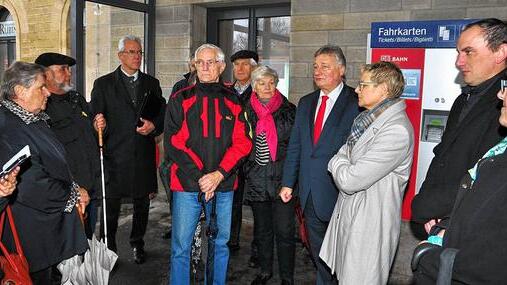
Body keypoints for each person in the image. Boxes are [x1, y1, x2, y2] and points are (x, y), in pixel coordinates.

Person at [165, 43, 252, 285]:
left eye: (210, 62)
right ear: (194, 65)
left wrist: (218, 175)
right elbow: (173, 143)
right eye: (200, 62)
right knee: (181, 247)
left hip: (222, 186)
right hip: (186, 184)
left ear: (222, 66)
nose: (204, 66)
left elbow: (243, 143)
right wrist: (202, 176)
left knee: (219, 245)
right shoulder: (180, 98)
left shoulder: (235, 100)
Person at [320, 61, 414, 284]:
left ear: (383, 89)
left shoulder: (396, 130)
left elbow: (350, 179)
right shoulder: (366, 120)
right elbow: (347, 154)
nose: (356, 89)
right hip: (353, 215)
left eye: (363, 85)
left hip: (370, 222)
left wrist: (336, 161)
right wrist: (343, 158)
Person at [411, 18, 507, 232]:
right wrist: (426, 202)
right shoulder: (463, 99)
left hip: (471, 226)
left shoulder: (503, 104)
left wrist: (433, 208)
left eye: (468, 52)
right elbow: (443, 156)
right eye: (458, 53)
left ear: (500, 53)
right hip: (439, 218)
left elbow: (485, 175)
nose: (459, 62)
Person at [0, 61, 89, 284]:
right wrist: (73, 195)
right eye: (41, 87)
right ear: (20, 91)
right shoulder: (9, 127)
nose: (47, 92)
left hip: (46, 231)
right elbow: (30, 183)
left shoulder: (29, 117)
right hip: (31, 236)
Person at [280, 45, 359, 285]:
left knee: (343, 253)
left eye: (325, 66)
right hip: (309, 193)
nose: (318, 71)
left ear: (341, 70)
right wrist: (287, 183)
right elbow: (296, 146)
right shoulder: (306, 102)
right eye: (315, 66)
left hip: (340, 192)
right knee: (318, 251)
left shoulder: (356, 102)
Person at [412, 86, 507, 284]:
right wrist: (445, 228)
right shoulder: (500, 151)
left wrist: (429, 259)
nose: (501, 94)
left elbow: (492, 260)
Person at [90, 35, 166, 264]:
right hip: (114, 156)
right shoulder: (103, 84)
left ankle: (137, 243)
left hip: (142, 155)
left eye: (139, 52)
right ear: (120, 55)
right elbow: (95, 116)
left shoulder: (151, 83)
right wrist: (96, 124)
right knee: (110, 209)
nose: (137, 57)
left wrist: (153, 126)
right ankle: (109, 249)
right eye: (132, 52)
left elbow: (161, 113)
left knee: (142, 205)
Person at [35, 52, 101, 239]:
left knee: (87, 238)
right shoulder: (42, 106)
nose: (68, 73)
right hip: (67, 190)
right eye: (62, 69)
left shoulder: (76, 99)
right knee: (67, 245)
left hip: (90, 185)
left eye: (69, 69)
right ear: (46, 74)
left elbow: (90, 135)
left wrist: (97, 128)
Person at [242, 65, 296, 285]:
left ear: (276, 84)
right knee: (262, 231)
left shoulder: (289, 110)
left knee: (284, 231)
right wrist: (247, 168)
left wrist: (291, 180)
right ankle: (265, 271)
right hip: (256, 180)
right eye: (261, 83)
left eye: (271, 83)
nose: (267, 87)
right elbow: (240, 144)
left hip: (283, 181)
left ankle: (287, 277)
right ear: (254, 86)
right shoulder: (245, 111)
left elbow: (296, 147)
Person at [228, 50, 258, 263]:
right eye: (236, 64)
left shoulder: (260, 91)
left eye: (244, 64)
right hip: (232, 156)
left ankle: (258, 249)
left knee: (258, 205)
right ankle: (232, 240)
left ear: (254, 68)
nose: (239, 69)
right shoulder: (227, 92)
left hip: (255, 157)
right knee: (233, 202)